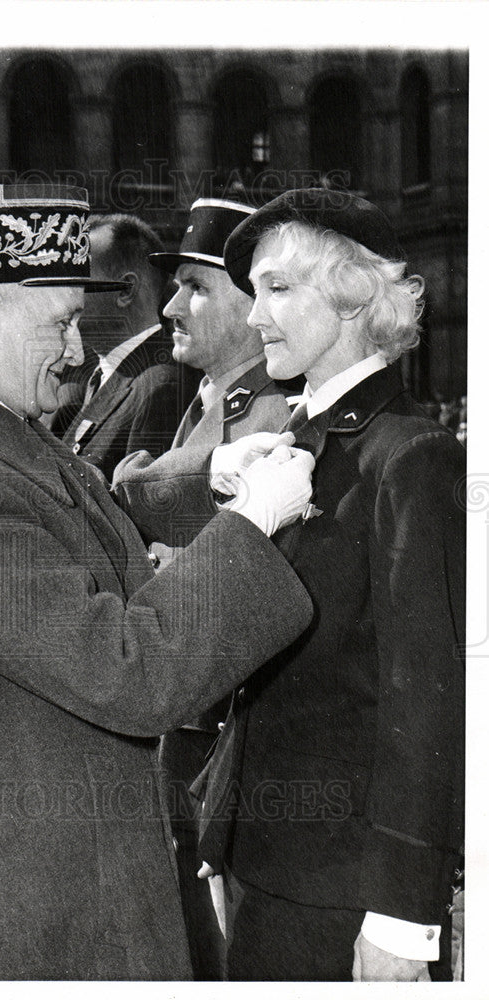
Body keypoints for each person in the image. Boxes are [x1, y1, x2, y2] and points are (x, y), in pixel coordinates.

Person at [0, 183, 317, 981]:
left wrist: (213, 474)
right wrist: (249, 528)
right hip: (41, 898)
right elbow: (130, 669)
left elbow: (90, 522)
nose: (76, 351)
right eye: (60, 324)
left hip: (60, 865)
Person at [196, 188, 465, 982]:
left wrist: (404, 918)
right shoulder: (293, 436)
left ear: (351, 296)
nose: (253, 316)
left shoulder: (410, 458)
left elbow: (427, 699)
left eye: (279, 288)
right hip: (267, 865)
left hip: (346, 897)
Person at [111, 197, 295, 979]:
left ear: (254, 304)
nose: (173, 306)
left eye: (195, 287)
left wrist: (142, 484)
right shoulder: (210, 398)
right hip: (188, 717)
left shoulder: (272, 409)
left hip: (224, 734)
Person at [59, 213, 197, 480]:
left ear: (126, 291)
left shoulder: (160, 387)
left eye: (75, 280)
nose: (63, 295)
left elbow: (141, 508)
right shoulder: (103, 375)